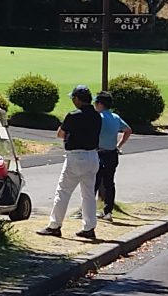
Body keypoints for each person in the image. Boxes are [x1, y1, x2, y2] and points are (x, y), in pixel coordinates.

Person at [40, 85, 104, 240]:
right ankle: (89, 227)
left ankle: (55, 225)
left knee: (63, 191)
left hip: (76, 156)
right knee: (88, 194)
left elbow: (60, 134)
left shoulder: (73, 115)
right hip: (92, 156)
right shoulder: (97, 116)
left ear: (77, 99)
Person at [94, 89, 132, 221]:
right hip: (112, 153)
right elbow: (128, 130)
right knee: (109, 183)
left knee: (94, 182)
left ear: (100, 104)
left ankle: (89, 209)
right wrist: (119, 145)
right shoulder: (115, 117)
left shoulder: (98, 117)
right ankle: (108, 211)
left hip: (98, 153)